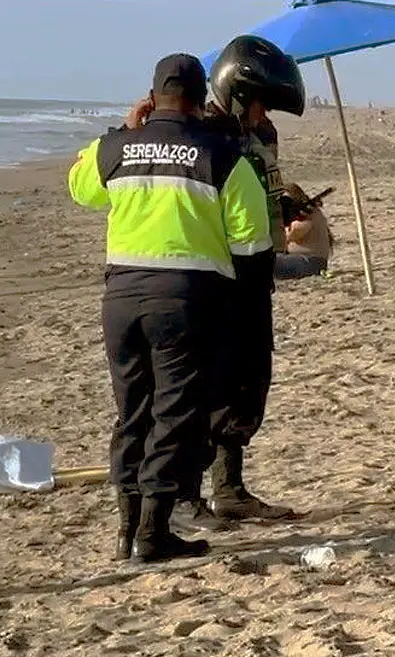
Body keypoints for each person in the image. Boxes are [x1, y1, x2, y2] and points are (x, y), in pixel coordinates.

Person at [68, 53, 271, 563]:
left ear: (152, 96)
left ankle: (124, 530)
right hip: (186, 301)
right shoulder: (224, 155)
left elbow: (79, 188)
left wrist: (124, 127)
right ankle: (154, 534)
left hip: (120, 300)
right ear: (203, 101)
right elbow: (251, 241)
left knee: (130, 412)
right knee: (174, 413)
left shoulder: (114, 147)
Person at [202, 34, 306, 520]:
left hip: (257, 271)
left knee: (248, 382)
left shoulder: (261, 137)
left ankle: (230, 487)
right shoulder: (205, 137)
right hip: (217, 277)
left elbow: (265, 188)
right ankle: (198, 490)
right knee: (213, 384)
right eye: (262, 106)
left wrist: (284, 208)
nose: (267, 118)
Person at [275, 183, 333, 280]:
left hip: (310, 263)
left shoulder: (306, 214)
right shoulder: (308, 212)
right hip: (308, 262)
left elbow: (290, 235)